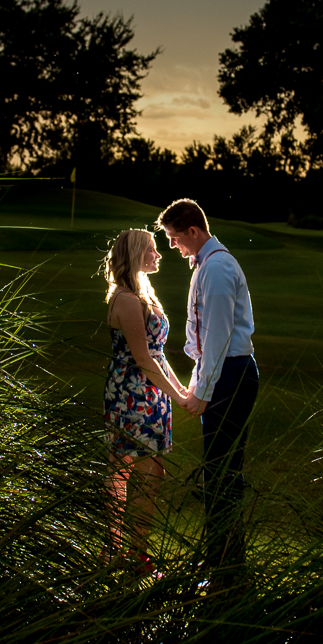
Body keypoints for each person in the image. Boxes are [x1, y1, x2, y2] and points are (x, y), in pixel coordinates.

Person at [158, 198, 257, 590]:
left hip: (231, 375)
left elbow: (217, 337)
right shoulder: (206, 265)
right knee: (217, 473)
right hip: (224, 373)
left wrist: (203, 391)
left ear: (193, 232)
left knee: (221, 474)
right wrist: (200, 380)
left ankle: (227, 570)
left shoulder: (216, 268)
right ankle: (220, 558)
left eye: (174, 238)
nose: (173, 246)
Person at [101, 227, 193, 574]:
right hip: (131, 395)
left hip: (149, 394)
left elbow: (159, 354)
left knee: (146, 472)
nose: (157, 255)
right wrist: (177, 396)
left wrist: (180, 391)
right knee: (135, 471)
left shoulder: (144, 294)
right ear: (136, 255)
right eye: (151, 250)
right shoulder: (125, 299)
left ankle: (127, 552)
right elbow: (142, 359)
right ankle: (125, 553)